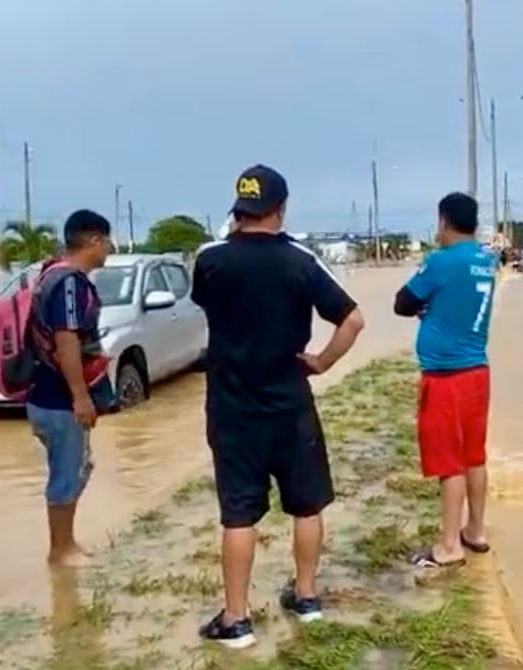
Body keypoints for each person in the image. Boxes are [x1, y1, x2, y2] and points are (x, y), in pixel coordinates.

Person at [192, 165, 365, 649]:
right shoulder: (301, 260)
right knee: (306, 503)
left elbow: (207, 301)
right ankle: (306, 597)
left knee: (239, 513)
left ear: (239, 210)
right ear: (282, 209)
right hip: (290, 400)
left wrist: (232, 239)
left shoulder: (211, 259)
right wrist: (322, 362)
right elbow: (353, 320)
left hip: (231, 408)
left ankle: (236, 619)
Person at [393, 192, 496, 568]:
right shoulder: (487, 260)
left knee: (449, 462)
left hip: (446, 376)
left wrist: (426, 306)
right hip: (477, 373)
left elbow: (402, 302)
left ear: (443, 221)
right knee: (474, 456)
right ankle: (476, 531)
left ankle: (450, 546)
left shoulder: (440, 262)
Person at [26, 209, 116, 567]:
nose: (109, 249)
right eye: (107, 241)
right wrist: (80, 397)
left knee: (78, 467)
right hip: (58, 399)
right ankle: (60, 550)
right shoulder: (68, 283)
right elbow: (67, 341)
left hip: (48, 397)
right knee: (66, 473)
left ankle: (67, 543)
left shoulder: (51, 274)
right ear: (94, 240)